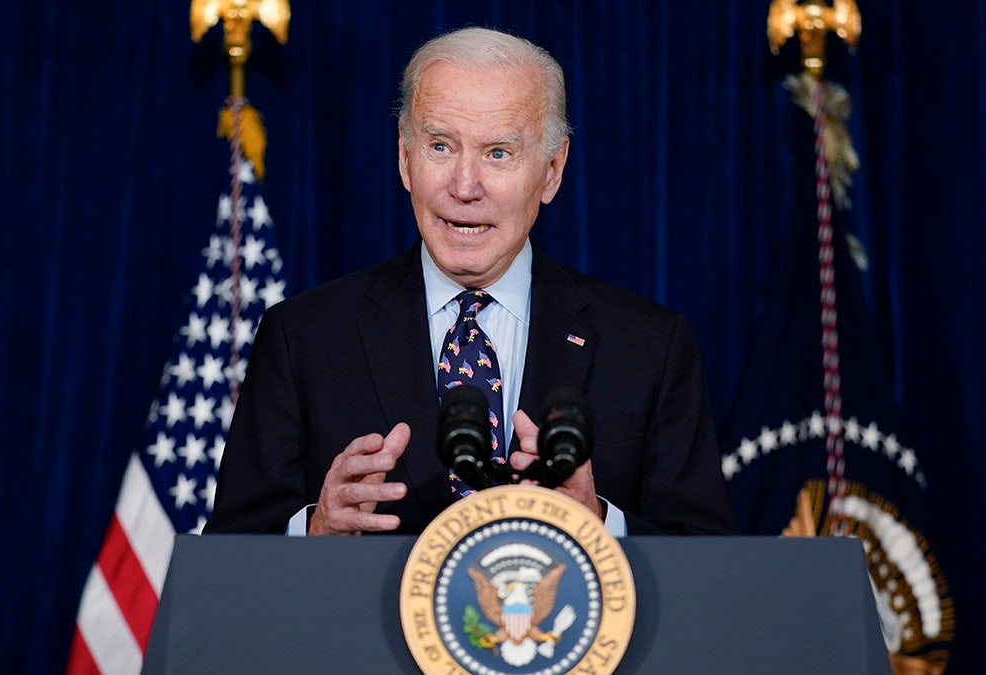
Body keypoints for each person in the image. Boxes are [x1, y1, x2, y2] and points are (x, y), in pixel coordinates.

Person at [205, 27, 738, 537]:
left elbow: (708, 569)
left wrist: (597, 522)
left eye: (498, 153)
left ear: (551, 171)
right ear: (404, 157)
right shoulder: (304, 337)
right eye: (441, 146)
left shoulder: (650, 346)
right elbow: (230, 563)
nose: (465, 187)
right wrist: (314, 530)